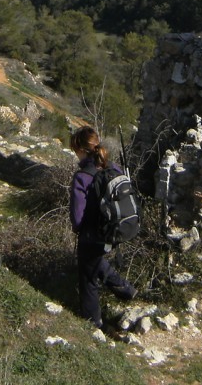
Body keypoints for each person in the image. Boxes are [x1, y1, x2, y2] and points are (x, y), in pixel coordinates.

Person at [69, 127, 137, 330]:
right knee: (94, 261)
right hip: (115, 228)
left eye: (75, 150)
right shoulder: (113, 168)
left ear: (81, 149)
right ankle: (124, 289)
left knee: (87, 276)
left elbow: (77, 215)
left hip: (93, 232)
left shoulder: (82, 177)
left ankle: (92, 322)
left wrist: (78, 230)